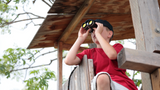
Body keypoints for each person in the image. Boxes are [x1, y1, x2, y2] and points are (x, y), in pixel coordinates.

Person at [64, 19, 138, 90]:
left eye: (99, 29)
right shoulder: (89, 53)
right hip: (101, 85)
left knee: (102, 78)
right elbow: (68, 60)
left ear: (109, 34)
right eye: (92, 31)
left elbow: (112, 55)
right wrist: (80, 38)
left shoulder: (117, 47)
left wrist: (98, 34)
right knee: (101, 78)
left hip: (121, 85)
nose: (94, 32)